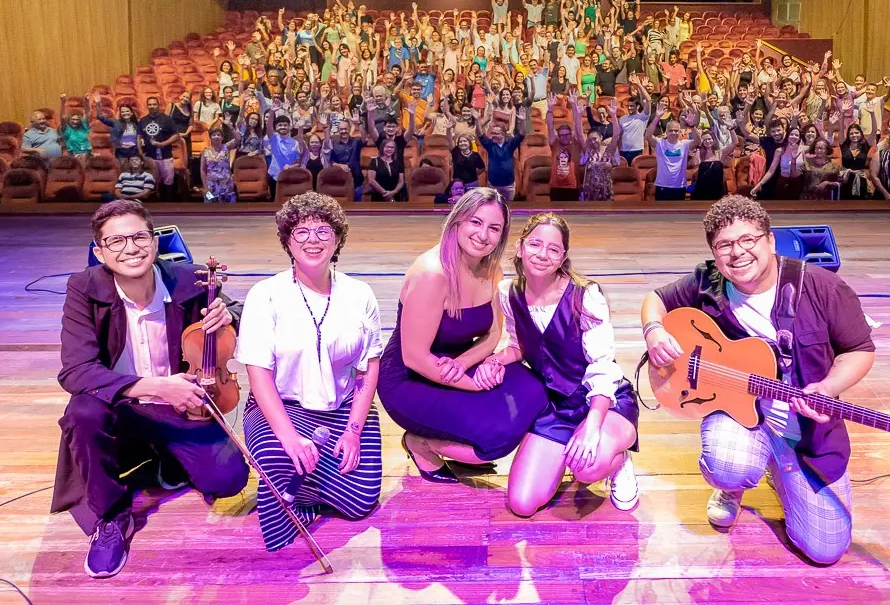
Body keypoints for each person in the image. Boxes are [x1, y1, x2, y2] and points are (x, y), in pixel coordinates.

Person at [641, 195, 875, 565]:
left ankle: (781, 471)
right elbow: (655, 299)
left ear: (769, 240)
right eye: (725, 245)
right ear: (714, 254)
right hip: (740, 411)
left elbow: (860, 350)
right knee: (727, 465)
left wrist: (829, 387)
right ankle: (733, 485)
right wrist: (654, 330)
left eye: (748, 239)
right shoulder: (709, 282)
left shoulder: (822, 287)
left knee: (825, 550)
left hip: (808, 434)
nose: (738, 253)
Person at [52, 200, 249, 578]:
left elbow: (240, 311)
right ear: (100, 252)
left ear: (155, 242)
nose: (130, 248)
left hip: (181, 409)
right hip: (119, 408)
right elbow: (75, 371)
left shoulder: (189, 279)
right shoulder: (83, 288)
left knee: (228, 480)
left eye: (139, 236)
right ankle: (110, 518)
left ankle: (163, 458)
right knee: (82, 411)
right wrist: (155, 386)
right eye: (116, 241)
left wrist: (231, 315)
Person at [237, 193, 383, 551]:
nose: (313, 240)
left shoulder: (360, 294)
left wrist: (353, 431)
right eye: (301, 232)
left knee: (361, 501)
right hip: (280, 408)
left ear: (337, 240)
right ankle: (291, 476)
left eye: (323, 230)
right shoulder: (265, 295)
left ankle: (299, 484)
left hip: (341, 410)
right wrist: (288, 436)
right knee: (279, 455)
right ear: (287, 241)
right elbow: (259, 375)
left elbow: (369, 368)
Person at [377, 189, 547, 482]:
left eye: (494, 228)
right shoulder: (433, 274)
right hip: (410, 378)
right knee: (499, 434)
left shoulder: (490, 268)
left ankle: (457, 439)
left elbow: (494, 332)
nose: (483, 235)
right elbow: (415, 357)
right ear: (457, 221)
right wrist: (474, 384)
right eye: (475, 222)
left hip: (456, 361)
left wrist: (476, 364)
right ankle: (421, 444)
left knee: (534, 390)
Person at [493, 214, 640, 516]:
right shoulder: (509, 293)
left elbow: (603, 367)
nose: (542, 254)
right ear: (520, 247)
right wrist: (498, 358)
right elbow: (520, 343)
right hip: (556, 406)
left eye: (553, 249)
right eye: (535, 244)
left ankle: (618, 462)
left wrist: (592, 425)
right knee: (522, 504)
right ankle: (565, 453)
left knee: (587, 468)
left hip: (601, 401)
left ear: (563, 257)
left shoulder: (585, 296)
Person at [137, 97, 181, 201]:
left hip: (166, 155)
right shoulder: (143, 120)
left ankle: (168, 204)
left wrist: (162, 144)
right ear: (147, 106)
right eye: (150, 104)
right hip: (150, 157)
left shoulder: (167, 119)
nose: (152, 106)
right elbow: (139, 137)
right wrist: (140, 153)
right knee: (153, 182)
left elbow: (176, 135)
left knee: (168, 182)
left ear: (158, 105)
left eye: (154, 104)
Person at [547, 92, 585, 201]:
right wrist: (550, 109)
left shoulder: (576, 145)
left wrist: (573, 105)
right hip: (556, 187)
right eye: (562, 135)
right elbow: (550, 126)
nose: (565, 137)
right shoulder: (555, 144)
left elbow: (578, 129)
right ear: (558, 136)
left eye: (567, 134)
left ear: (571, 135)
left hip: (572, 187)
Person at [200, 127, 237, 203]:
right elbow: (202, 170)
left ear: (222, 137)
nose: (216, 136)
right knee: (209, 208)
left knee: (229, 210)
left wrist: (230, 126)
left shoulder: (226, 148)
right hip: (211, 185)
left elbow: (238, 139)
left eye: (218, 135)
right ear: (210, 137)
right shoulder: (206, 151)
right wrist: (205, 187)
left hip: (227, 185)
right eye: (213, 135)